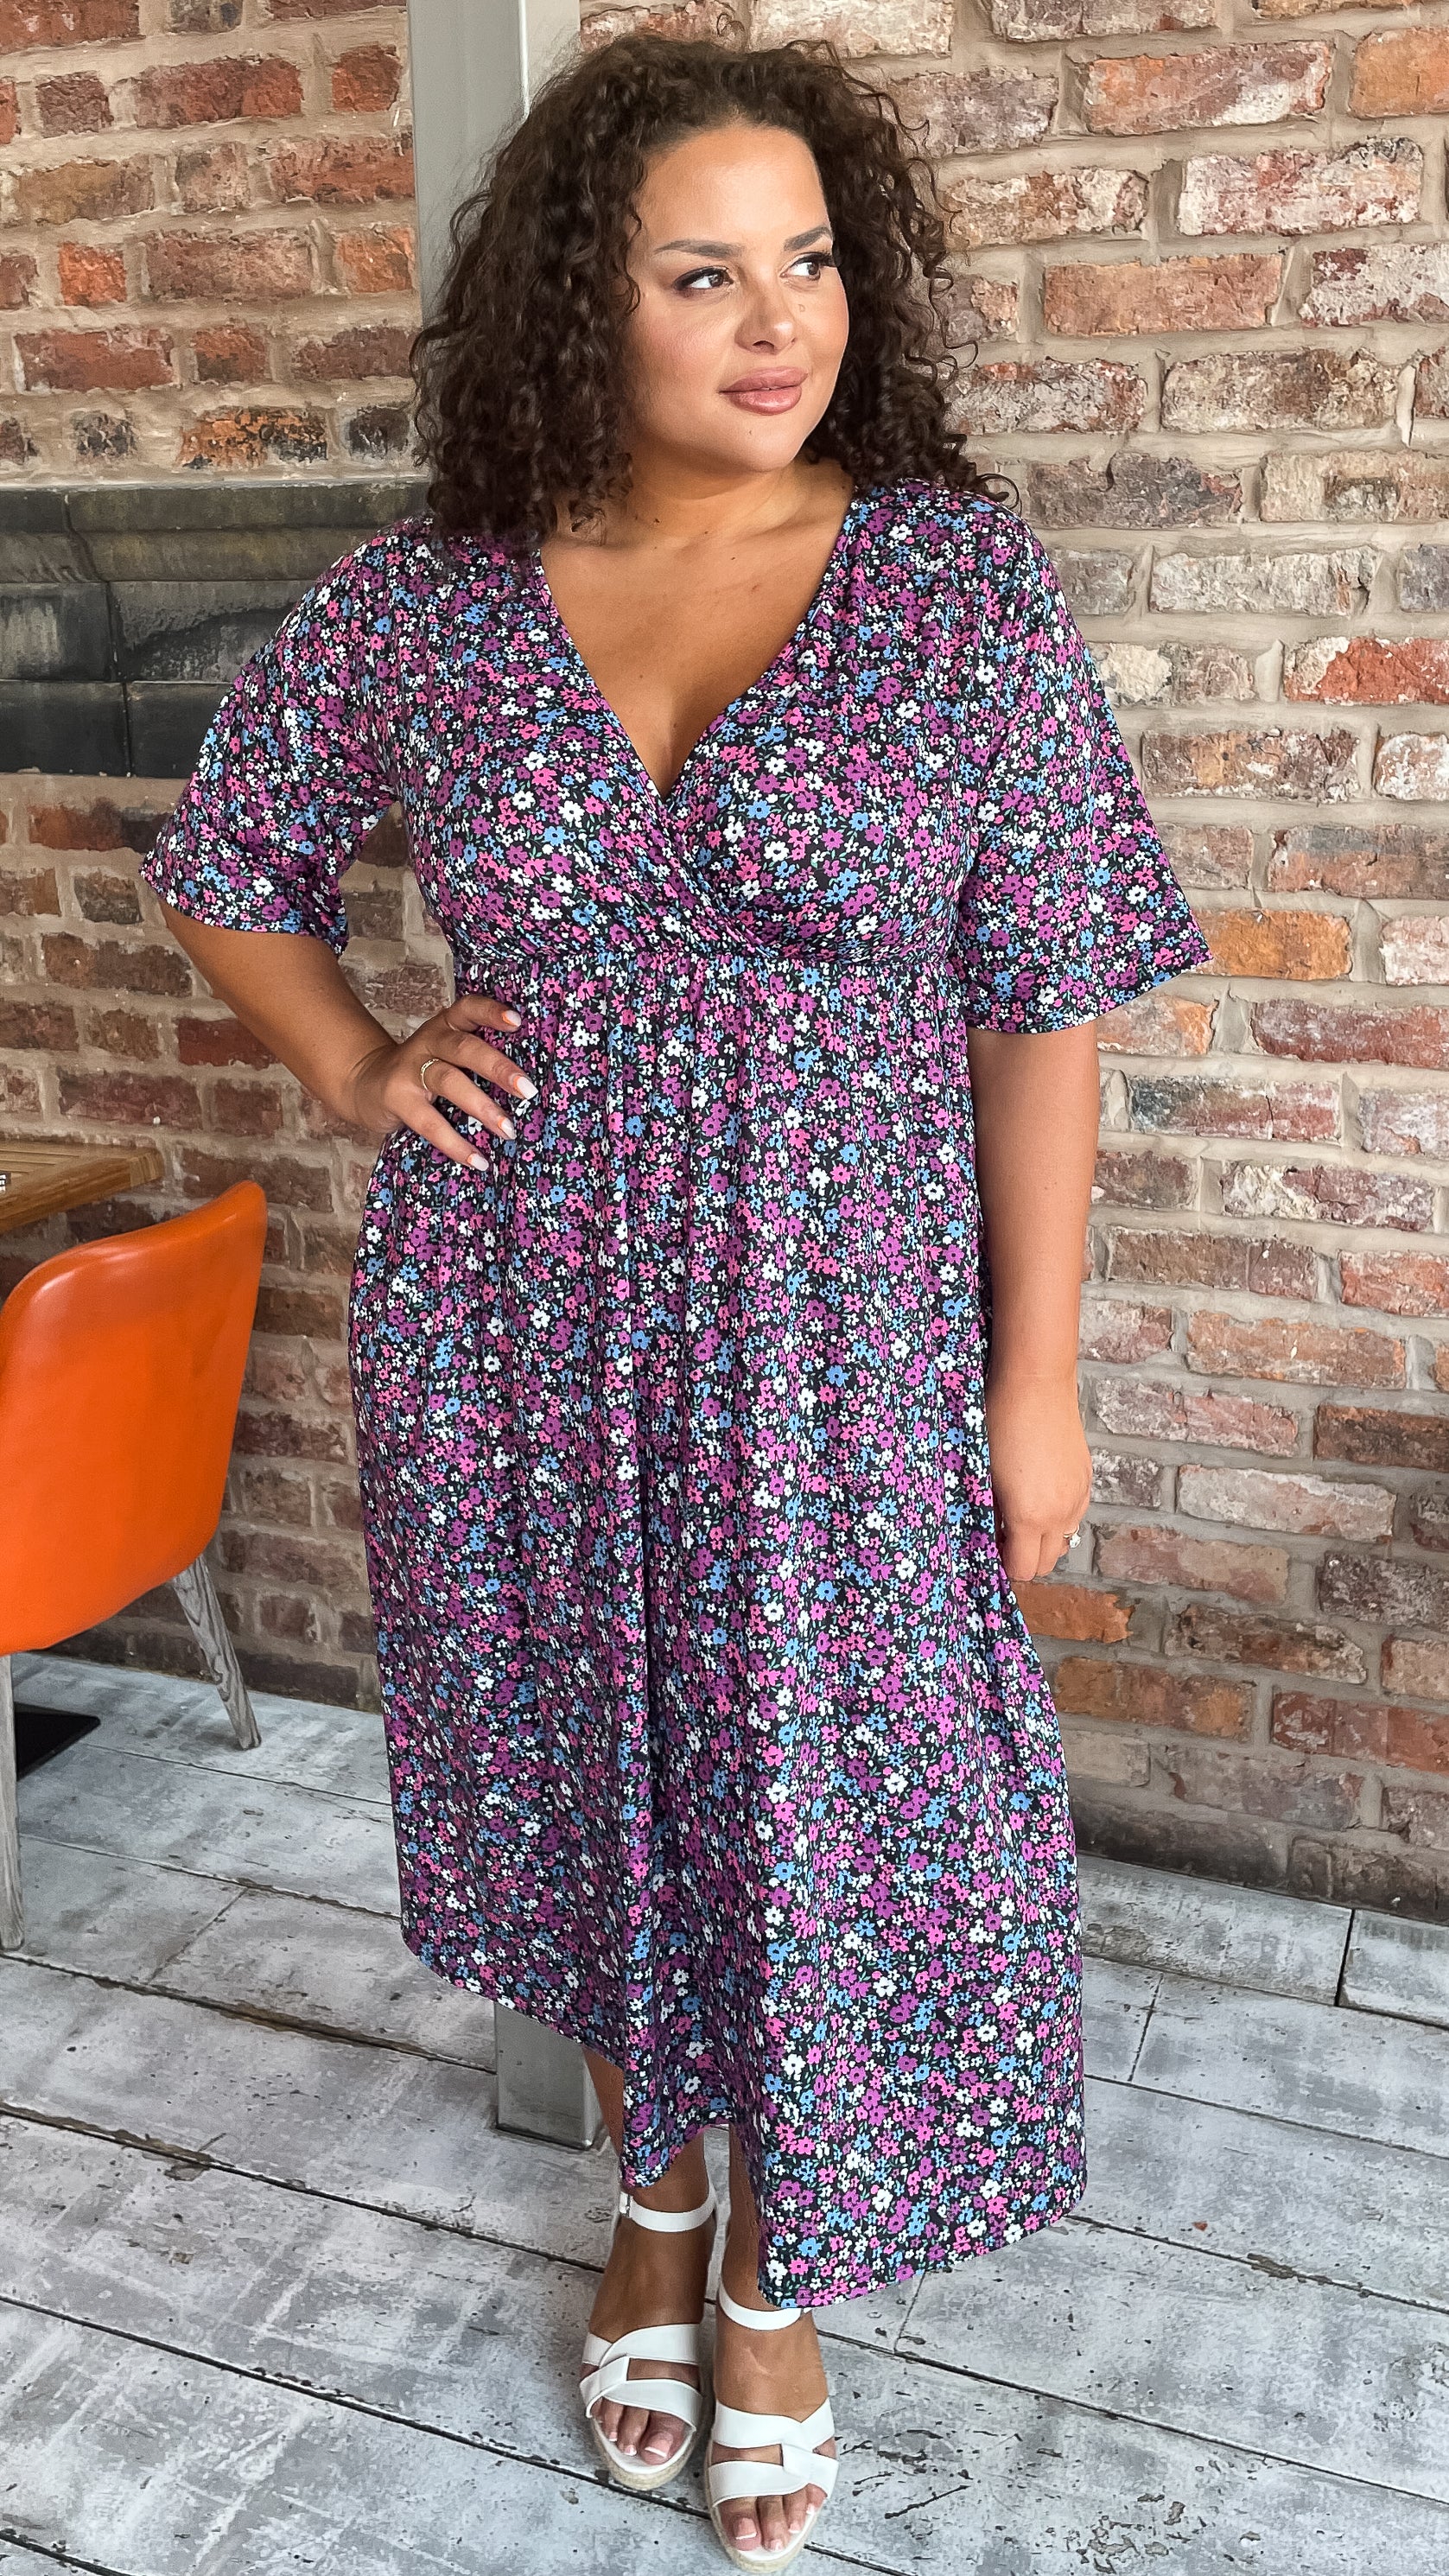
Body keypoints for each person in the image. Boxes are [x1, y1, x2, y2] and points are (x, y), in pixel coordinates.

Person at [140, 23, 1212, 2570]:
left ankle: (775, 2266)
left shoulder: (950, 583)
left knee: (826, 1806)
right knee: (596, 1773)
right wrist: (361, 1063)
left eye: (810, 261)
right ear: (576, 300)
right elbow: (229, 854)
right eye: (702, 272)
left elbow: (1046, 997)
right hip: (516, 1319)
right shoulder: (431, 599)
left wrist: (1037, 1377)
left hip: (842, 1342)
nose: (778, 320)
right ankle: (651, 2193)